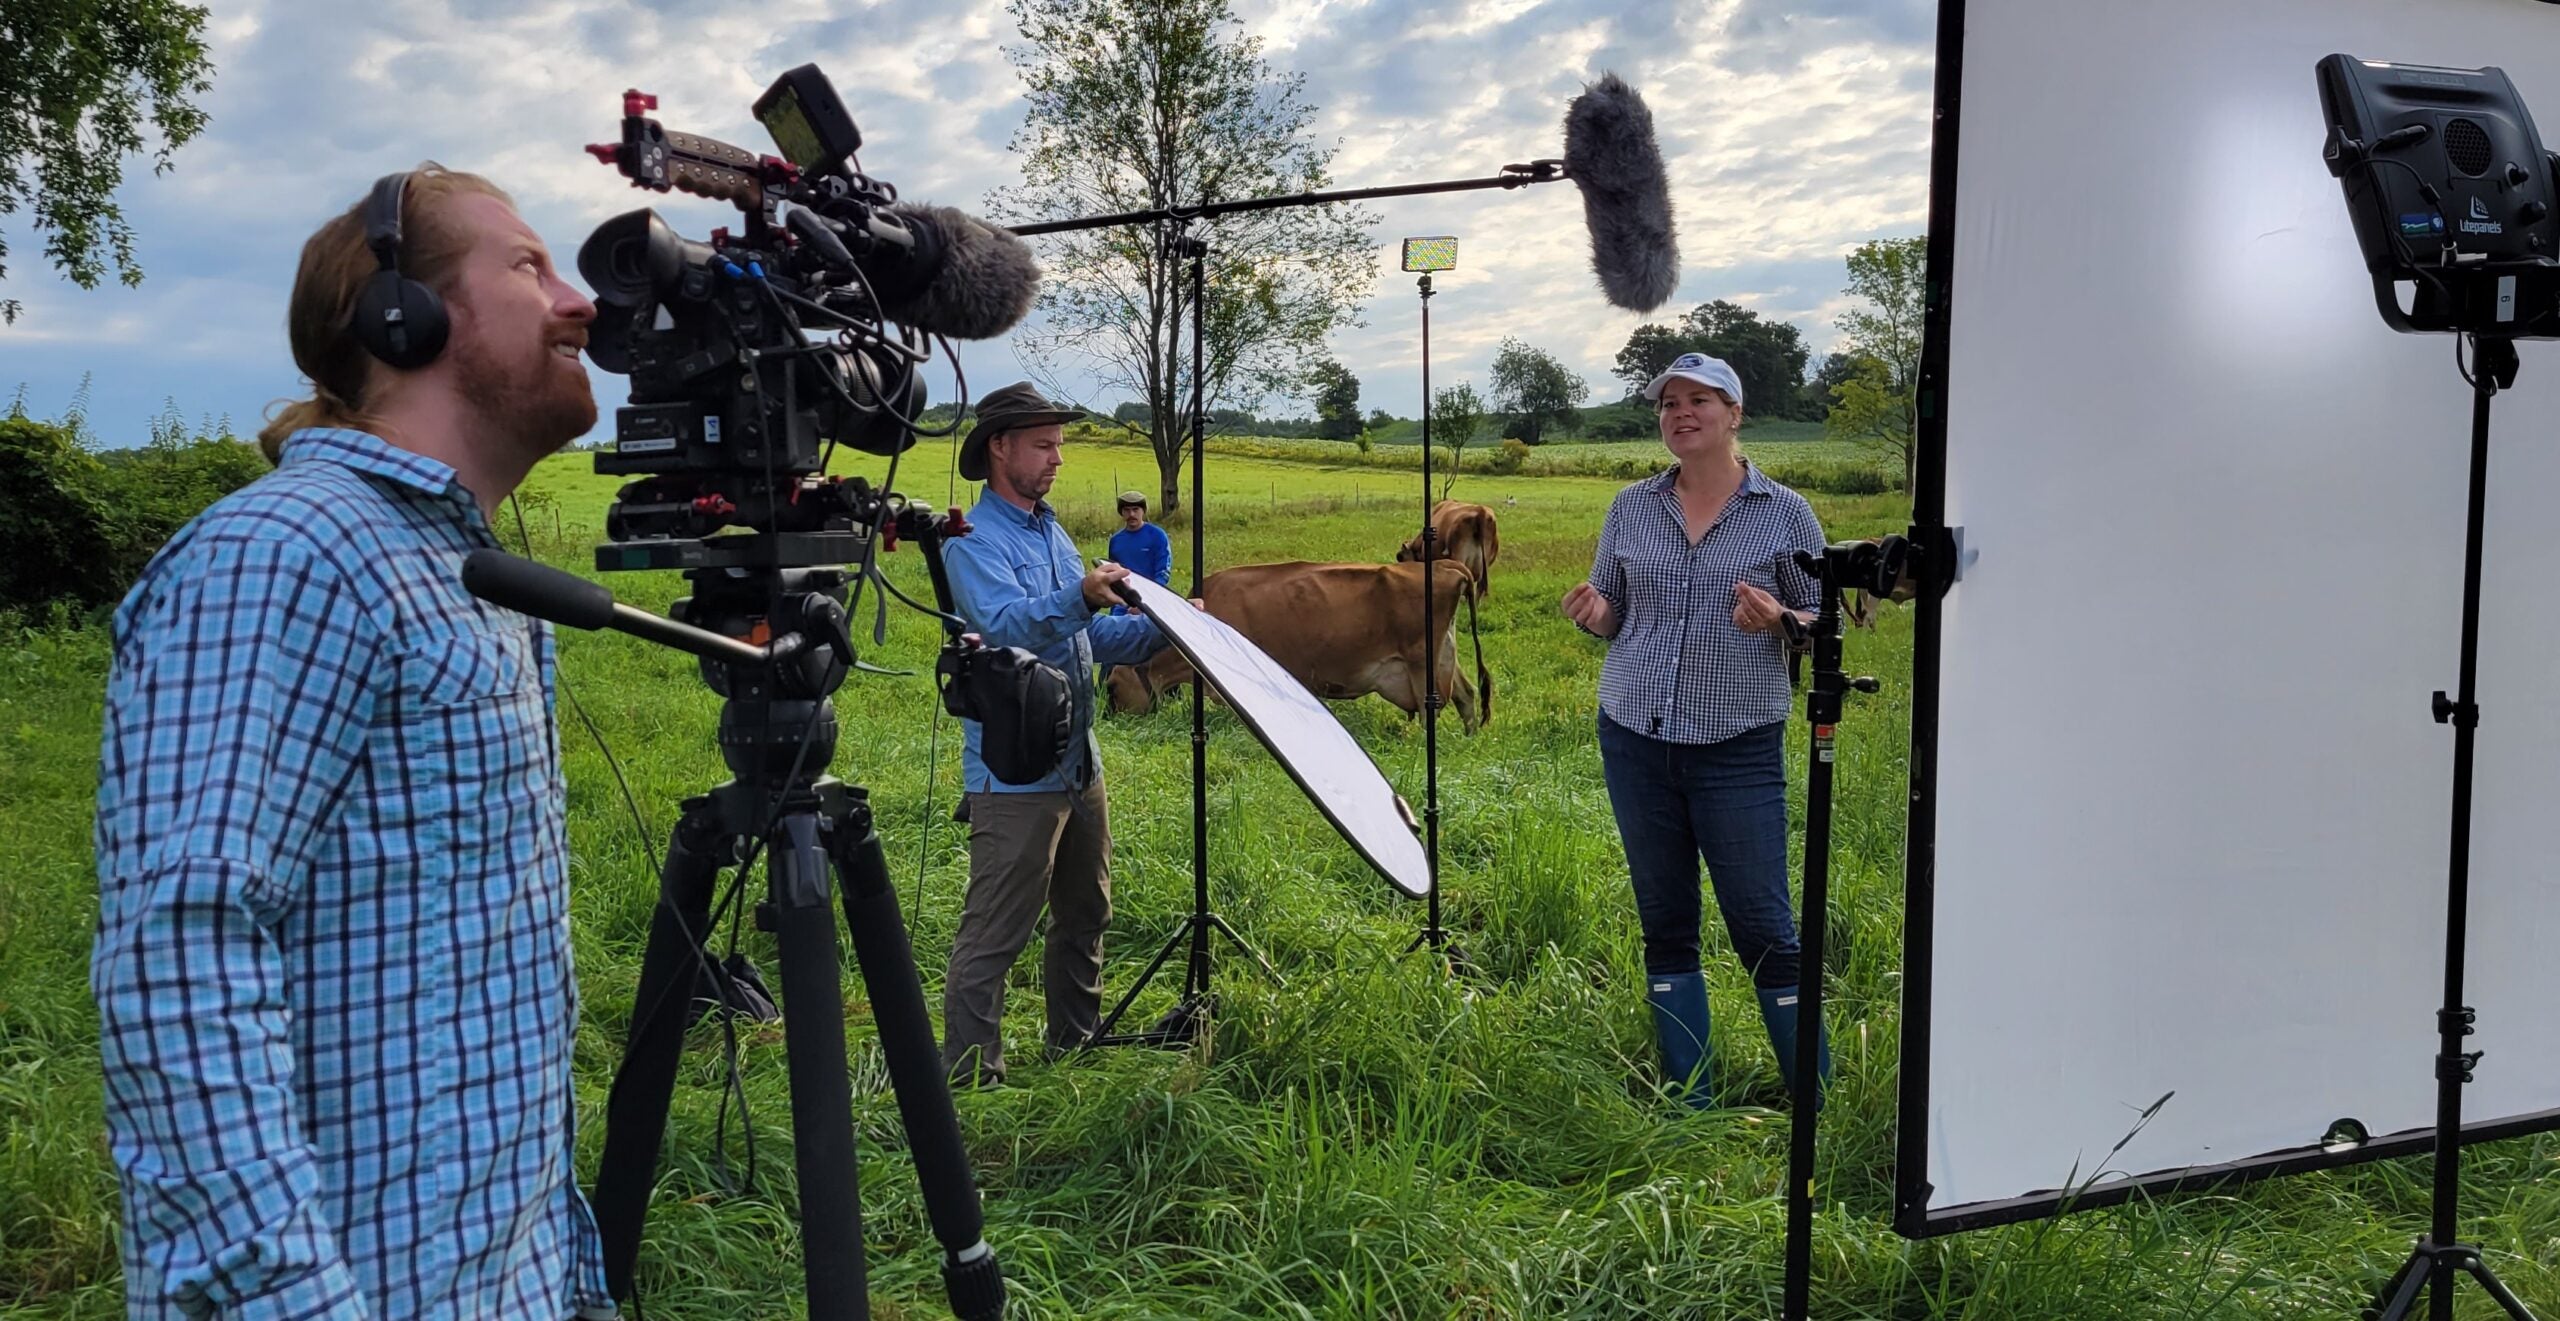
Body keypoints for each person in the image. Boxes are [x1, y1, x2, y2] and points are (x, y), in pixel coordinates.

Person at [89, 163, 618, 1318]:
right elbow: (182, 965)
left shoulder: (459, 572)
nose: (578, 301)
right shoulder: (287, 551)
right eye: (529, 266)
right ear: (405, 318)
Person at [1560, 351, 1832, 1112]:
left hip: (1737, 744)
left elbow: (1822, 617)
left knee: (1763, 924)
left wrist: (1782, 617)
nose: (1681, 413)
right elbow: (1615, 613)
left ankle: (1815, 1096)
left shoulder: (1784, 512)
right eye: (1668, 403)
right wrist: (1595, 615)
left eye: (1700, 400)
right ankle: (1691, 1098)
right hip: (1635, 737)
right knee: (1666, 919)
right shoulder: (1630, 507)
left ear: (1734, 414)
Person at [940, 383, 1173, 1087]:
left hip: (1078, 758)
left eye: (1060, 446)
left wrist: (1171, 622)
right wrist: (1078, 594)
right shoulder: (972, 542)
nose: (1056, 459)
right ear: (1000, 448)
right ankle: (972, 1077)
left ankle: (1075, 1037)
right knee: (995, 931)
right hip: (1014, 770)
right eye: (1043, 445)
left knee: (1086, 908)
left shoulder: (1052, 531)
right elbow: (1005, 626)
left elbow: (1091, 636)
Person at [1104, 489, 1173, 616]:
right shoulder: (1116, 540)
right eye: (1127, 510)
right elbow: (1114, 572)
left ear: (1143, 511)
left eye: (1135, 509)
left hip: (1151, 600)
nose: (1131, 514)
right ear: (1121, 512)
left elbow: (1163, 573)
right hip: (1122, 601)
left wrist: (1145, 602)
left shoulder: (1157, 535)